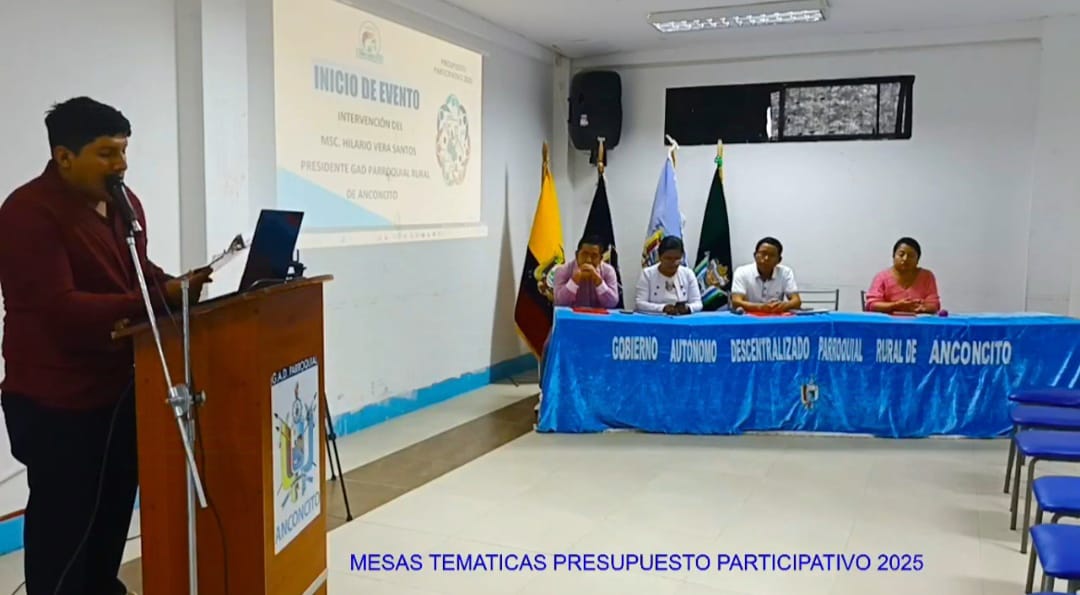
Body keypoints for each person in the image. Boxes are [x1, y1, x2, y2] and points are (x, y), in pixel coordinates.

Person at [0, 97, 212, 595]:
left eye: (123, 151)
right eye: (106, 153)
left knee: (113, 511)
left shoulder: (124, 202)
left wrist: (175, 285)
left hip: (119, 391)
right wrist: (157, 297)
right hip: (56, 403)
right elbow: (59, 308)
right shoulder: (27, 213)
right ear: (63, 156)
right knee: (64, 525)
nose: (120, 164)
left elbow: (137, 271)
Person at [865, 237, 941, 314]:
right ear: (893, 256)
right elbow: (872, 305)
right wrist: (895, 306)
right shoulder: (881, 277)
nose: (905, 259)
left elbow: (934, 304)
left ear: (918, 259)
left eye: (911, 256)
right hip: (889, 320)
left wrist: (923, 308)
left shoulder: (927, 276)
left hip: (918, 320)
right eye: (901, 254)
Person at [730, 237, 802, 313]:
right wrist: (760, 307)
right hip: (748, 317)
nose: (766, 258)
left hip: (775, 316)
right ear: (755, 255)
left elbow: (797, 301)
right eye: (763, 253)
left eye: (772, 255)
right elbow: (736, 302)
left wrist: (781, 306)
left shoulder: (785, 272)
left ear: (779, 260)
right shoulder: (742, 271)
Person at [635, 236, 702, 315]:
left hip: (682, 319)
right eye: (668, 258)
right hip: (655, 318)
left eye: (677, 258)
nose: (673, 263)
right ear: (660, 257)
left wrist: (687, 308)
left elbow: (698, 304)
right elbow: (640, 303)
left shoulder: (688, 274)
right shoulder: (647, 274)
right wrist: (663, 308)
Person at [553, 235, 620, 309]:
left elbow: (612, 303)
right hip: (571, 316)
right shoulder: (562, 270)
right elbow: (559, 303)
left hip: (598, 316)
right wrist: (574, 280)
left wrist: (598, 281)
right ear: (576, 255)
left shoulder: (608, 271)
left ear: (600, 259)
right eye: (584, 254)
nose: (588, 260)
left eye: (594, 256)